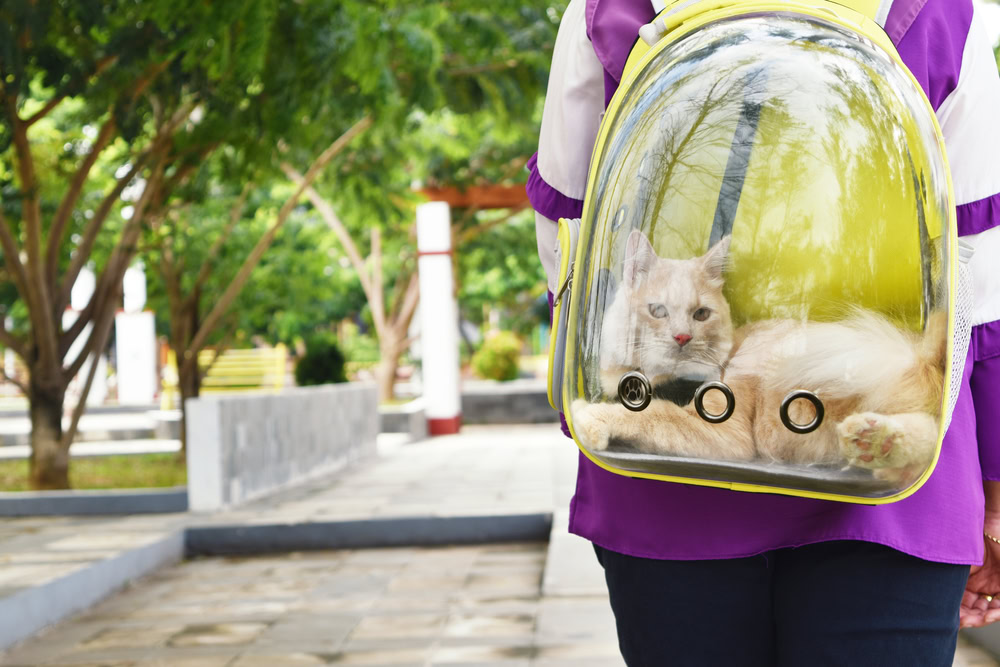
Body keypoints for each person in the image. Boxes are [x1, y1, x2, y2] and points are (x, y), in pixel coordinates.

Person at [528, 0, 1000, 664]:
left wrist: (598, 405)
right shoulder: (950, 13)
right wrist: (995, 490)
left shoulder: (607, 11)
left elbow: (569, 246)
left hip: (665, 467)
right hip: (891, 468)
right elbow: (982, 279)